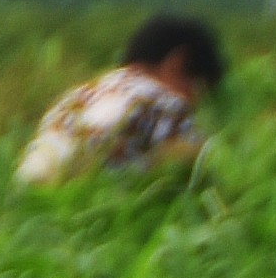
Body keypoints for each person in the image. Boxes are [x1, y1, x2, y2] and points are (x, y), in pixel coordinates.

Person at [14, 10, 231, 183]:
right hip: (98, 198)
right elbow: (200, 168)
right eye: (197, 90)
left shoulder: (77, 96)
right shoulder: (166, 104)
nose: (194, 102)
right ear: (177, 64)